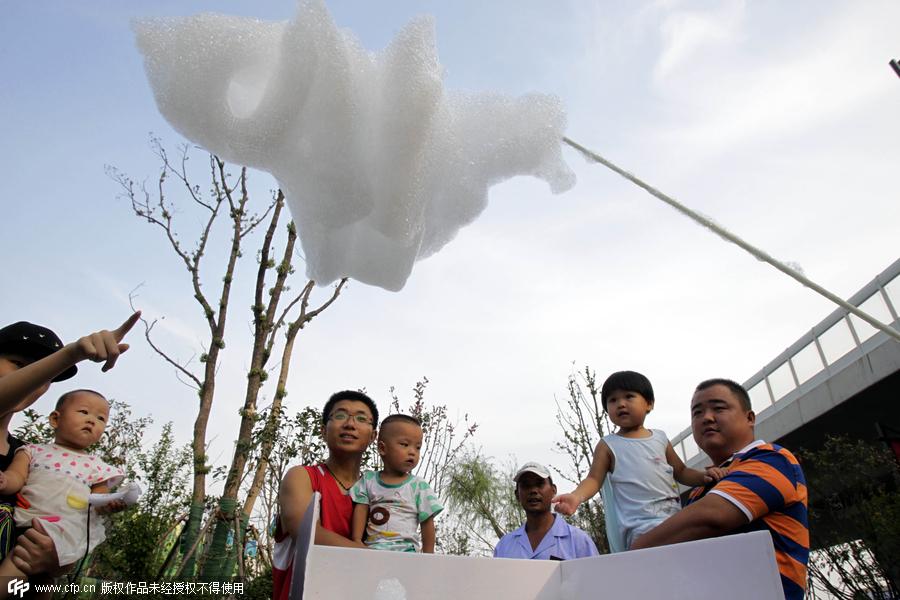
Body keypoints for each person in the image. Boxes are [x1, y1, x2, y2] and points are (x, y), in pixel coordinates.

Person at [631, 379, 809, 600]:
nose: (706, 417)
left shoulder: (772, 459)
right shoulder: (699, 489)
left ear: (749, 418)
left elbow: (711, 517)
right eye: (697, 413)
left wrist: (633, 554)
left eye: (719, 408)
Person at [0, 314, 138, 577]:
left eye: (44, 375)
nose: (33, 380)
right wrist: (71, 353)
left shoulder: (31, 456)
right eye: (18, 364)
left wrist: (53, 563)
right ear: (56, 418)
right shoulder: (32, 456)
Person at [553, 371, 725, 551]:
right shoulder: (608, 445)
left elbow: (681, 472)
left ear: (649, 404)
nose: (620, 404)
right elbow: (594, 479)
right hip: (639, 528)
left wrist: (704, 476)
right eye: (612, 400)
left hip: (674, 521)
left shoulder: (660, 438)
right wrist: (576, 496)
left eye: (629, 396)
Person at [0, 389, 127, 590]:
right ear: (55, 419)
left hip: (65, 533)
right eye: (84, 412)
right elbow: (17, 476)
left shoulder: (98, 467)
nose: (92, 420)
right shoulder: (32, 451)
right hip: (31, 523)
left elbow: (98, 500)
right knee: (25, 568)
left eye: (100, 418)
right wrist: (5, 480)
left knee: (37, 577)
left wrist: (110, 504)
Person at [273, 390, 379, 600]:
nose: (350, 424)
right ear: (323, 430)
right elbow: (305, 533)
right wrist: (374, 558)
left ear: (374, 436)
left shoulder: (377, 490)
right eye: (340, 416)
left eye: (361, 418)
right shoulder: (303, 477)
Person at [350, 414, 443, 553]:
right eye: (405, 445)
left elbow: (427, 521)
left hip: (407, 552)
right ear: (382, 448)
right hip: (373, 550)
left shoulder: (418, 485)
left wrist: (428, 555)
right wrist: (356, 540)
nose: (412, 452)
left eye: (417, 447)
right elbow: (361, 509)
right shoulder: (368, 480)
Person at [494, 462, 598, 560]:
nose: (533, 490)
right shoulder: (504, 546)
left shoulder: (579, 541)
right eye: (526, 485)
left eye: (539, 484)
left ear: (553, 490)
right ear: (517, 495)